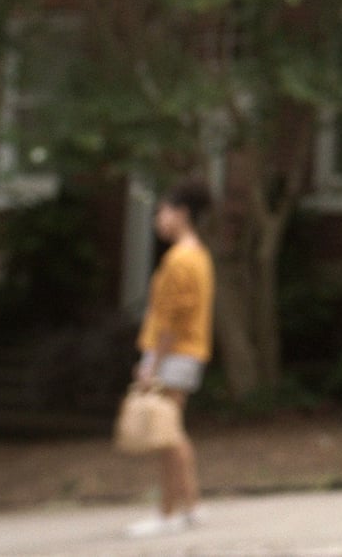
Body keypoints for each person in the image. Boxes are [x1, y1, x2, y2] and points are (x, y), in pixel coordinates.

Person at [126, 180, 215, 539]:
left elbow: (170, 321)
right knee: (170, 433)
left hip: (174, 355)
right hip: (185, 352)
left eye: (162, 211)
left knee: (168, 436)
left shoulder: (180, 259)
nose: (157, 219)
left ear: (182, 214)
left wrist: (151, 364)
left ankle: (171, 512)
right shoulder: (198, 255)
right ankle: (189, 507)